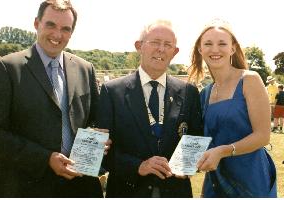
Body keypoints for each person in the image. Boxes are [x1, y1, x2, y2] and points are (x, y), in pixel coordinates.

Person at [0, 0, 110, 197]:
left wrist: (98, 137)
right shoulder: (8, 68)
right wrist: (45, 158)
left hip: (80, 186)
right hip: (27, 186)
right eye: (50, 25)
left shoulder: (85, 68)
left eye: (65, 29)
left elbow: (94, 118)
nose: (57, 35)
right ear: (36, 23)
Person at [96, 20, 203, 197]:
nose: (161, 49)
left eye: (168, 45)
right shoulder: (112, 91)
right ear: (139, 46)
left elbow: (196, 139)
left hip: (175, 191)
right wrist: (139, 166)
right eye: (155, 42)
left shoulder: (189, 92)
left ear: (175, 52)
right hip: (127, 191)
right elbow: (103, 151)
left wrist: (189, 164)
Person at [188, 19, 277, 197]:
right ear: (200, 49)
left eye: (222, 43)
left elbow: (262, 136)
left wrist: (222, 151)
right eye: (208, 44)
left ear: (233, 48)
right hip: (216, 180)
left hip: (250, 176)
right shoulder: (204, 93)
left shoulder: (250, 80)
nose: (215, 49)